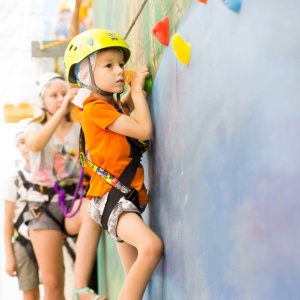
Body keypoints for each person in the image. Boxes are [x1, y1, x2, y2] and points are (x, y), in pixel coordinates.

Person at [64, 28, 164, 300]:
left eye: (121, 64)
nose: (120, 70)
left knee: (133, 280)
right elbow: (143, 130)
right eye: (108, 65)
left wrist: (130, 96)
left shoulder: (108, 107)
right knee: (152, 247)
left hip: (119, 197)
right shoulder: (96, 110)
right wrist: (138, 92)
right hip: (112, 199)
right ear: (85, 75)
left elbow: (123, 115)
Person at [24, 72, 106, 300]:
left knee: (93, 208)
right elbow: (36, 144)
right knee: (52, 285)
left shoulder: (79, 128)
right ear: (42, 102)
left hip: (73, 201)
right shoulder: (33, 128)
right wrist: (61, 112)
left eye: (64, 94)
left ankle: (81, 288)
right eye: (54, 95)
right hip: (42, 207)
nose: (61, 98)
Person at [3, 118, 40, 300]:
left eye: (29, 141)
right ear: (18, 147)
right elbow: (8, 221)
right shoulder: (14, 181)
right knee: (30, 293)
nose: (26, 147)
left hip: (48, 235)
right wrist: (9, 257)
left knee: (53, 284)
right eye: (22, 143)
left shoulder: (51, 175)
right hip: (23, 243)